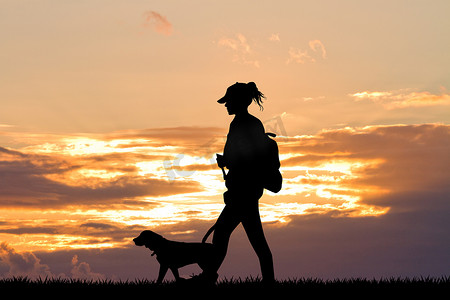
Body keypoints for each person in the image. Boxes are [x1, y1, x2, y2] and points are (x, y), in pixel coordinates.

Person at [200, 82, 275, 284]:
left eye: (228, 101)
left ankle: (207, 278)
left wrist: (227, 161)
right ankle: (269, 282)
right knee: (252, 241)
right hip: (245, 192)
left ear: (239, 101)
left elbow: (248, 160)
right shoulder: (246, 123)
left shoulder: (244, 124)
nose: (226, 105)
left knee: (223, 236)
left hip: (244, 192)